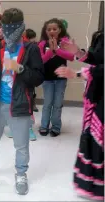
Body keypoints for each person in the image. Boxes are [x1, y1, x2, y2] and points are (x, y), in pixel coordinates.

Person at [0, 8, 44, 195]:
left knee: (21, 144)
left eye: (12, 29)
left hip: (19, 104)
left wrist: (19, 68)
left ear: (21, 28)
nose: (8, 33)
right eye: (5, 28)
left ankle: (21, 173)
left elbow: (38, 77)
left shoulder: (31, 49)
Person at [55, 29, 104, 201]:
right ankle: (93, 184)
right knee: (93, 137)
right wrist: (79, 53)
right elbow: (98, 59)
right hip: (98, 95)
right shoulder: (101, 35)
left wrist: (77, 74)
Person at [38, 18, 74, 137]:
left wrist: (57, 50)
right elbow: (41, 60)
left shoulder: (65, 42)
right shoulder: (42, 44)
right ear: (45, 31)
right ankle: (44, 126)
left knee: (58, 103)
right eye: (49, 29)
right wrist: (51, 51)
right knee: (47, 103)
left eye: (54, 29)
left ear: (60, 30)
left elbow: (71, 57)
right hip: (47, 79)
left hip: (61, 79)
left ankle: (56, 126)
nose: (52, 31)